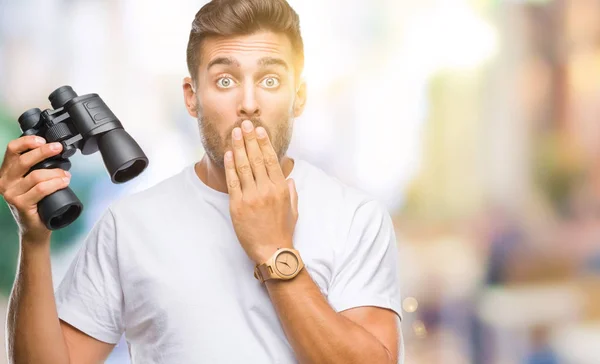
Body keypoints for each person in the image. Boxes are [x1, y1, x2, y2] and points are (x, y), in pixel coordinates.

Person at [1, 0, 403, 363]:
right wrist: (33, 240)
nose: (248, 103)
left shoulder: (356, 218)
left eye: (270, 81)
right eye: (225, 81)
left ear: (299, 96)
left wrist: (274, 250)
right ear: (191, 97)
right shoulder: (130, 226)